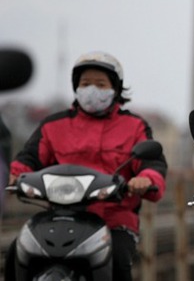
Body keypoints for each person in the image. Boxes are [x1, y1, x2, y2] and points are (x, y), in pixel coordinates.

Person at [5, 51, 167, 281]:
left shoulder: (135, 126)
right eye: (85, 83)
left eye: (100, 84)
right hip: (58, 217)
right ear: (76, 87)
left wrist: (146, 179)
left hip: (114, 221)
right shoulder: (53, 125)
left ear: (116, 89)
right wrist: (15, 176)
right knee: (17, 251)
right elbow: (27, 159)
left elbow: (152, 164)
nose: (92, 89)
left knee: (119, 260)